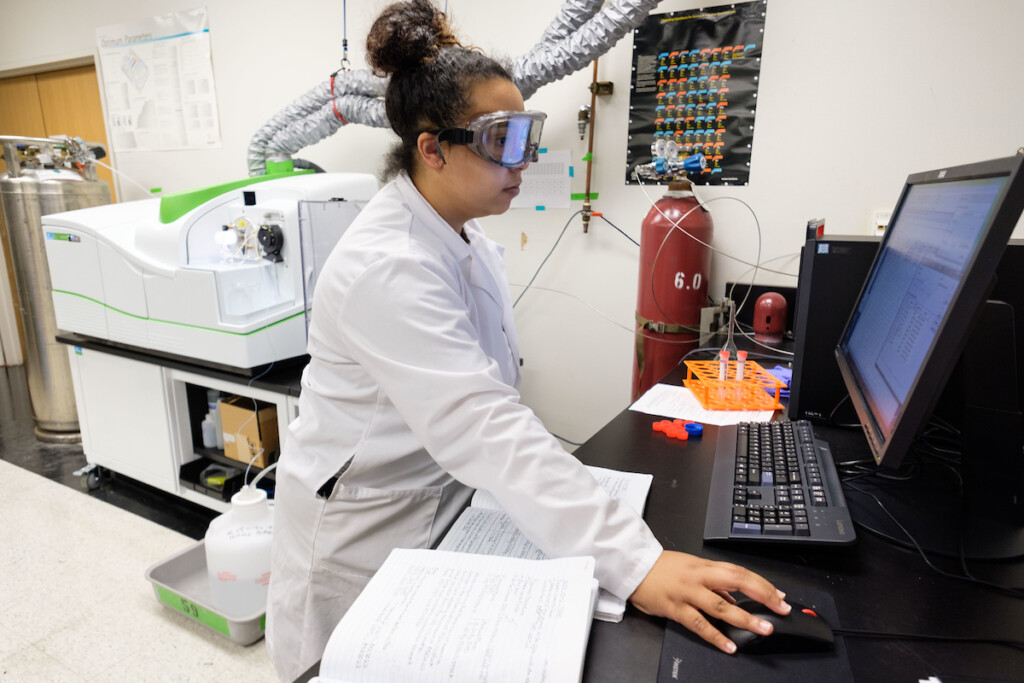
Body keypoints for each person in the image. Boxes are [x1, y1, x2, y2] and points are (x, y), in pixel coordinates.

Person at [266, 1, 790, 679]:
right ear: (433, 149)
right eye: (502, 139)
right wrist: (639, 563)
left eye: (528, 135)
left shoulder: (466, 232)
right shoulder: (385, 265)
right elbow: (482, 424)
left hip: (444, 498)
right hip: (364, 520)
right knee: (349, 661)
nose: (526, 159)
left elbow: (488, 398)